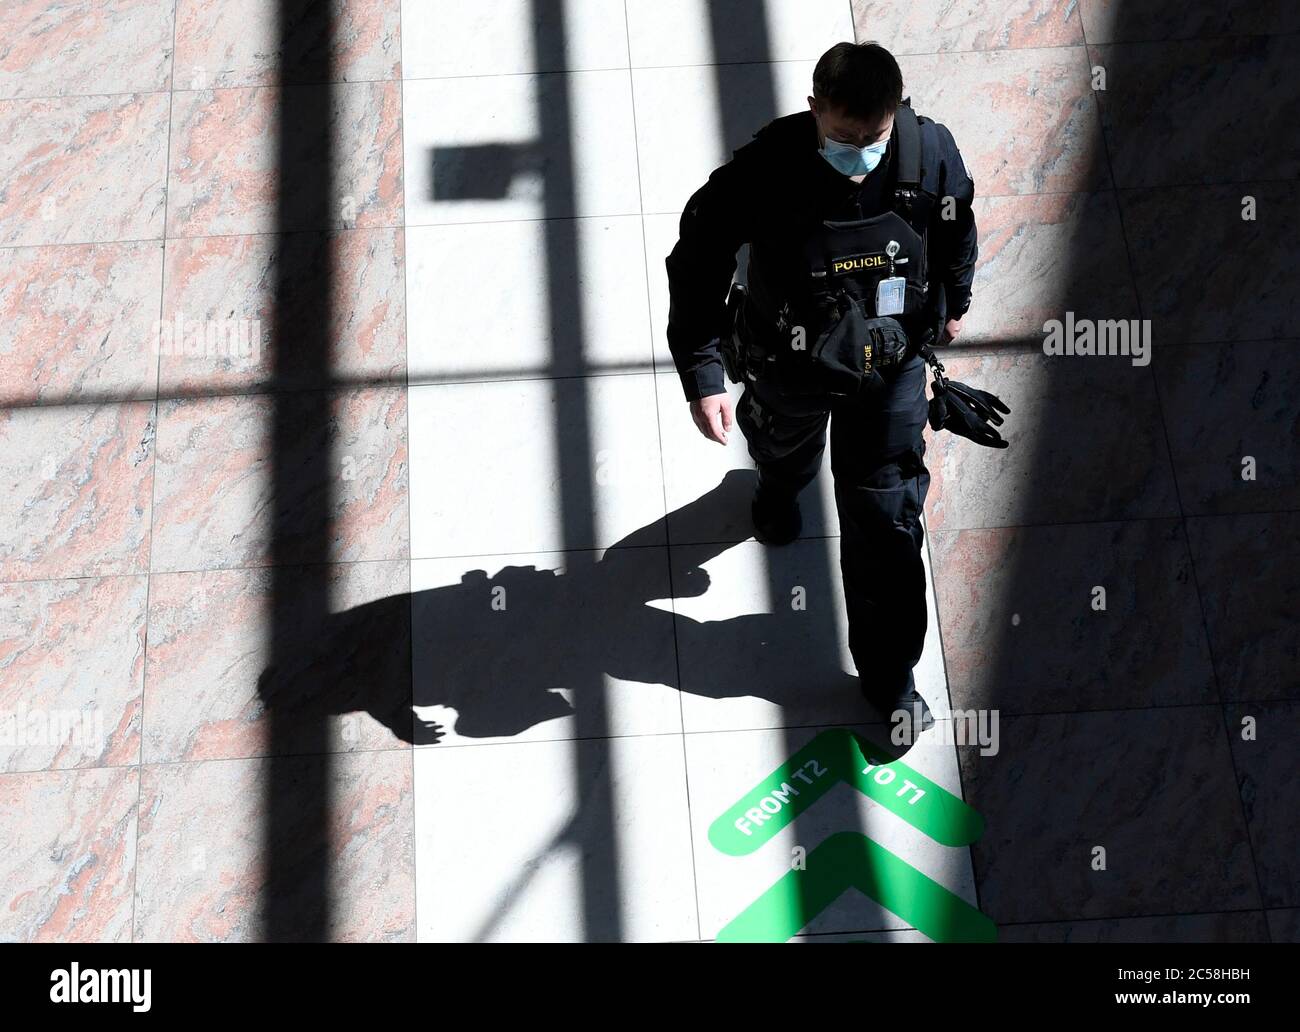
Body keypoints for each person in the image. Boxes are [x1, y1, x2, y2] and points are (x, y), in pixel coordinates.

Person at [664, 41, 979, 730]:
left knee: (886, 519)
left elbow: (955, 225)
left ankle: (891, 683)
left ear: (894, 113)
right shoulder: (766, 169)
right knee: (780, 450)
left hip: (889, 367)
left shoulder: (930, 153)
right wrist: (703, 370)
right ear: (815, 109)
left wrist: (955, 298)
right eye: (842, 134)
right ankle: (776, 491)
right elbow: (698, 256)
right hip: (789, 361)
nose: (860, 148)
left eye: (874, 136)